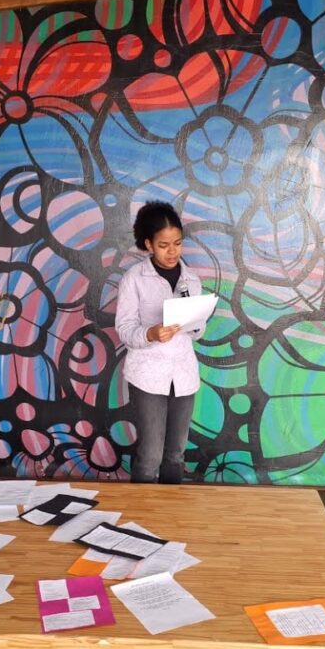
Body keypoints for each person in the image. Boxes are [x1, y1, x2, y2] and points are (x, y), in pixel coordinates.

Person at [115, 201, 204, 484]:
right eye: (164, 245)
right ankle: (142, 510)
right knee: (150, 456)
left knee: (176, 454)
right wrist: (150, 334)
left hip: (184, 376)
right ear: (148, 244)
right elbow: (124, 329)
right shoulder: (133, 280)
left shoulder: (192, 279)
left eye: (177, 243)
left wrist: (195, 322)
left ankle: (171, 510)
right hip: (148, 377)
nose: (172, 251)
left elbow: (197, 332)